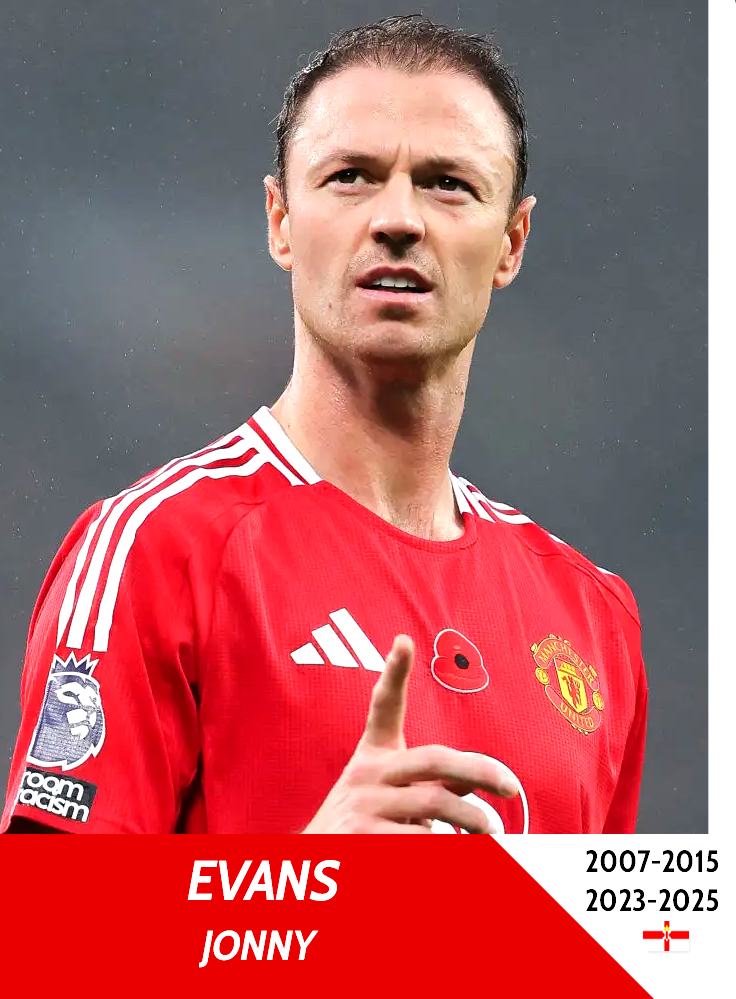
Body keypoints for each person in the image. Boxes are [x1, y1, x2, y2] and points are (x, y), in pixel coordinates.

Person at [2, 15, 646, 835]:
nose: (399, 218)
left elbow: (609, 927)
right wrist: (313, 875)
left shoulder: (592, 615)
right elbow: (43, 915)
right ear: (280, 221)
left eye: (448, 183)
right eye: (351, 176)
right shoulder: (155, 551)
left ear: (512, 242)